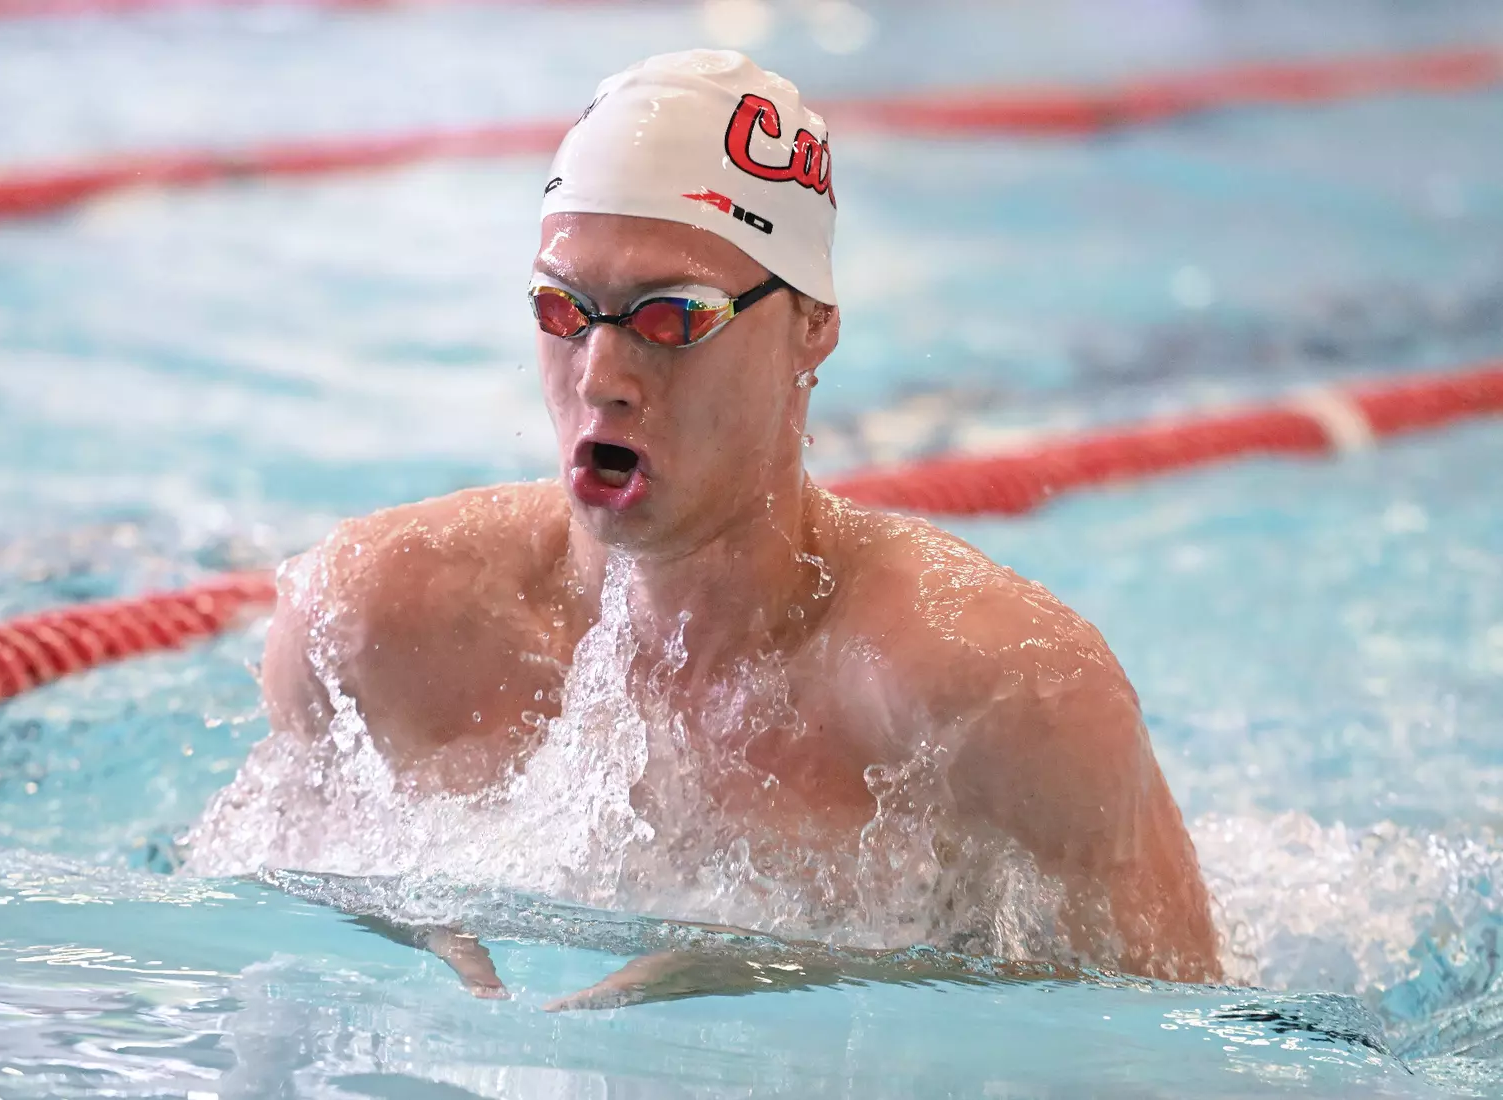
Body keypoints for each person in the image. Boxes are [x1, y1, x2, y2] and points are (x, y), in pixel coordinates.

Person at [259, 50, 1220, 1006]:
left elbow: (1178, 1039)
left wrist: (819, 982)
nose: (599, 375)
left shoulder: (1000, 695)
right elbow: (250, 950)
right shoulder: (372, 628)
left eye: (672, 318)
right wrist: (367, 924)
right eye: (563, 310)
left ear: (814, 324)